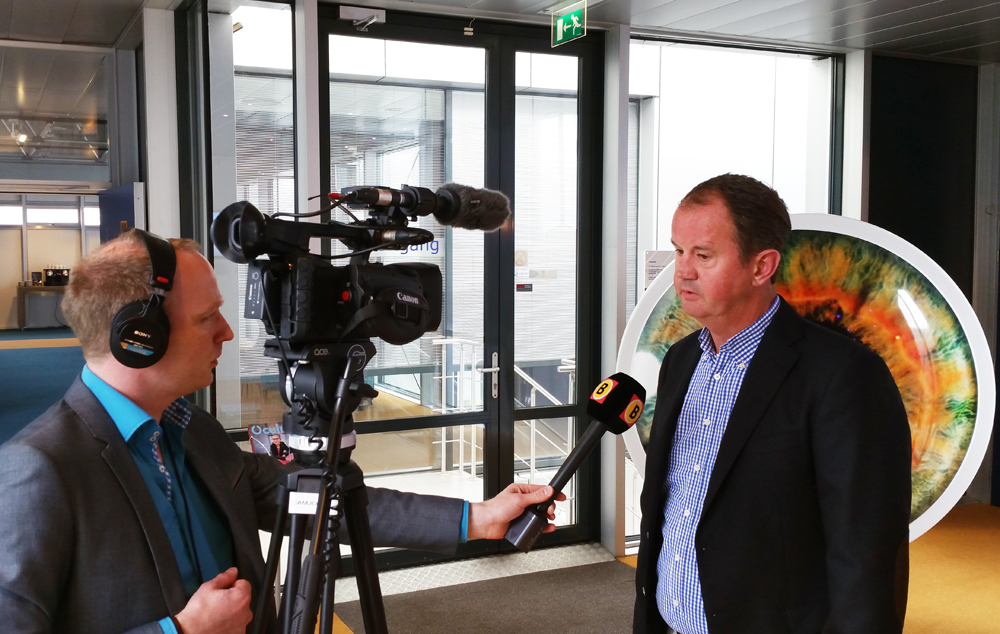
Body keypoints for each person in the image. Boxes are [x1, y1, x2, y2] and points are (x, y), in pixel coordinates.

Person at [0, 230, 561, 634]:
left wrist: (478, 517)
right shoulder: (39, 470)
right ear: (139, 336)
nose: (226, 333)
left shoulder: (193, 430)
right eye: (206, 318)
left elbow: (321, 500)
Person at [633, 174, 911, 634]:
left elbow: (865, 555)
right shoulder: (680, 359)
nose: (682, 271)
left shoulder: (843, 375)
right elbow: (667, 510)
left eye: (703, 255)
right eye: (679, 251)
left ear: (762, 266)